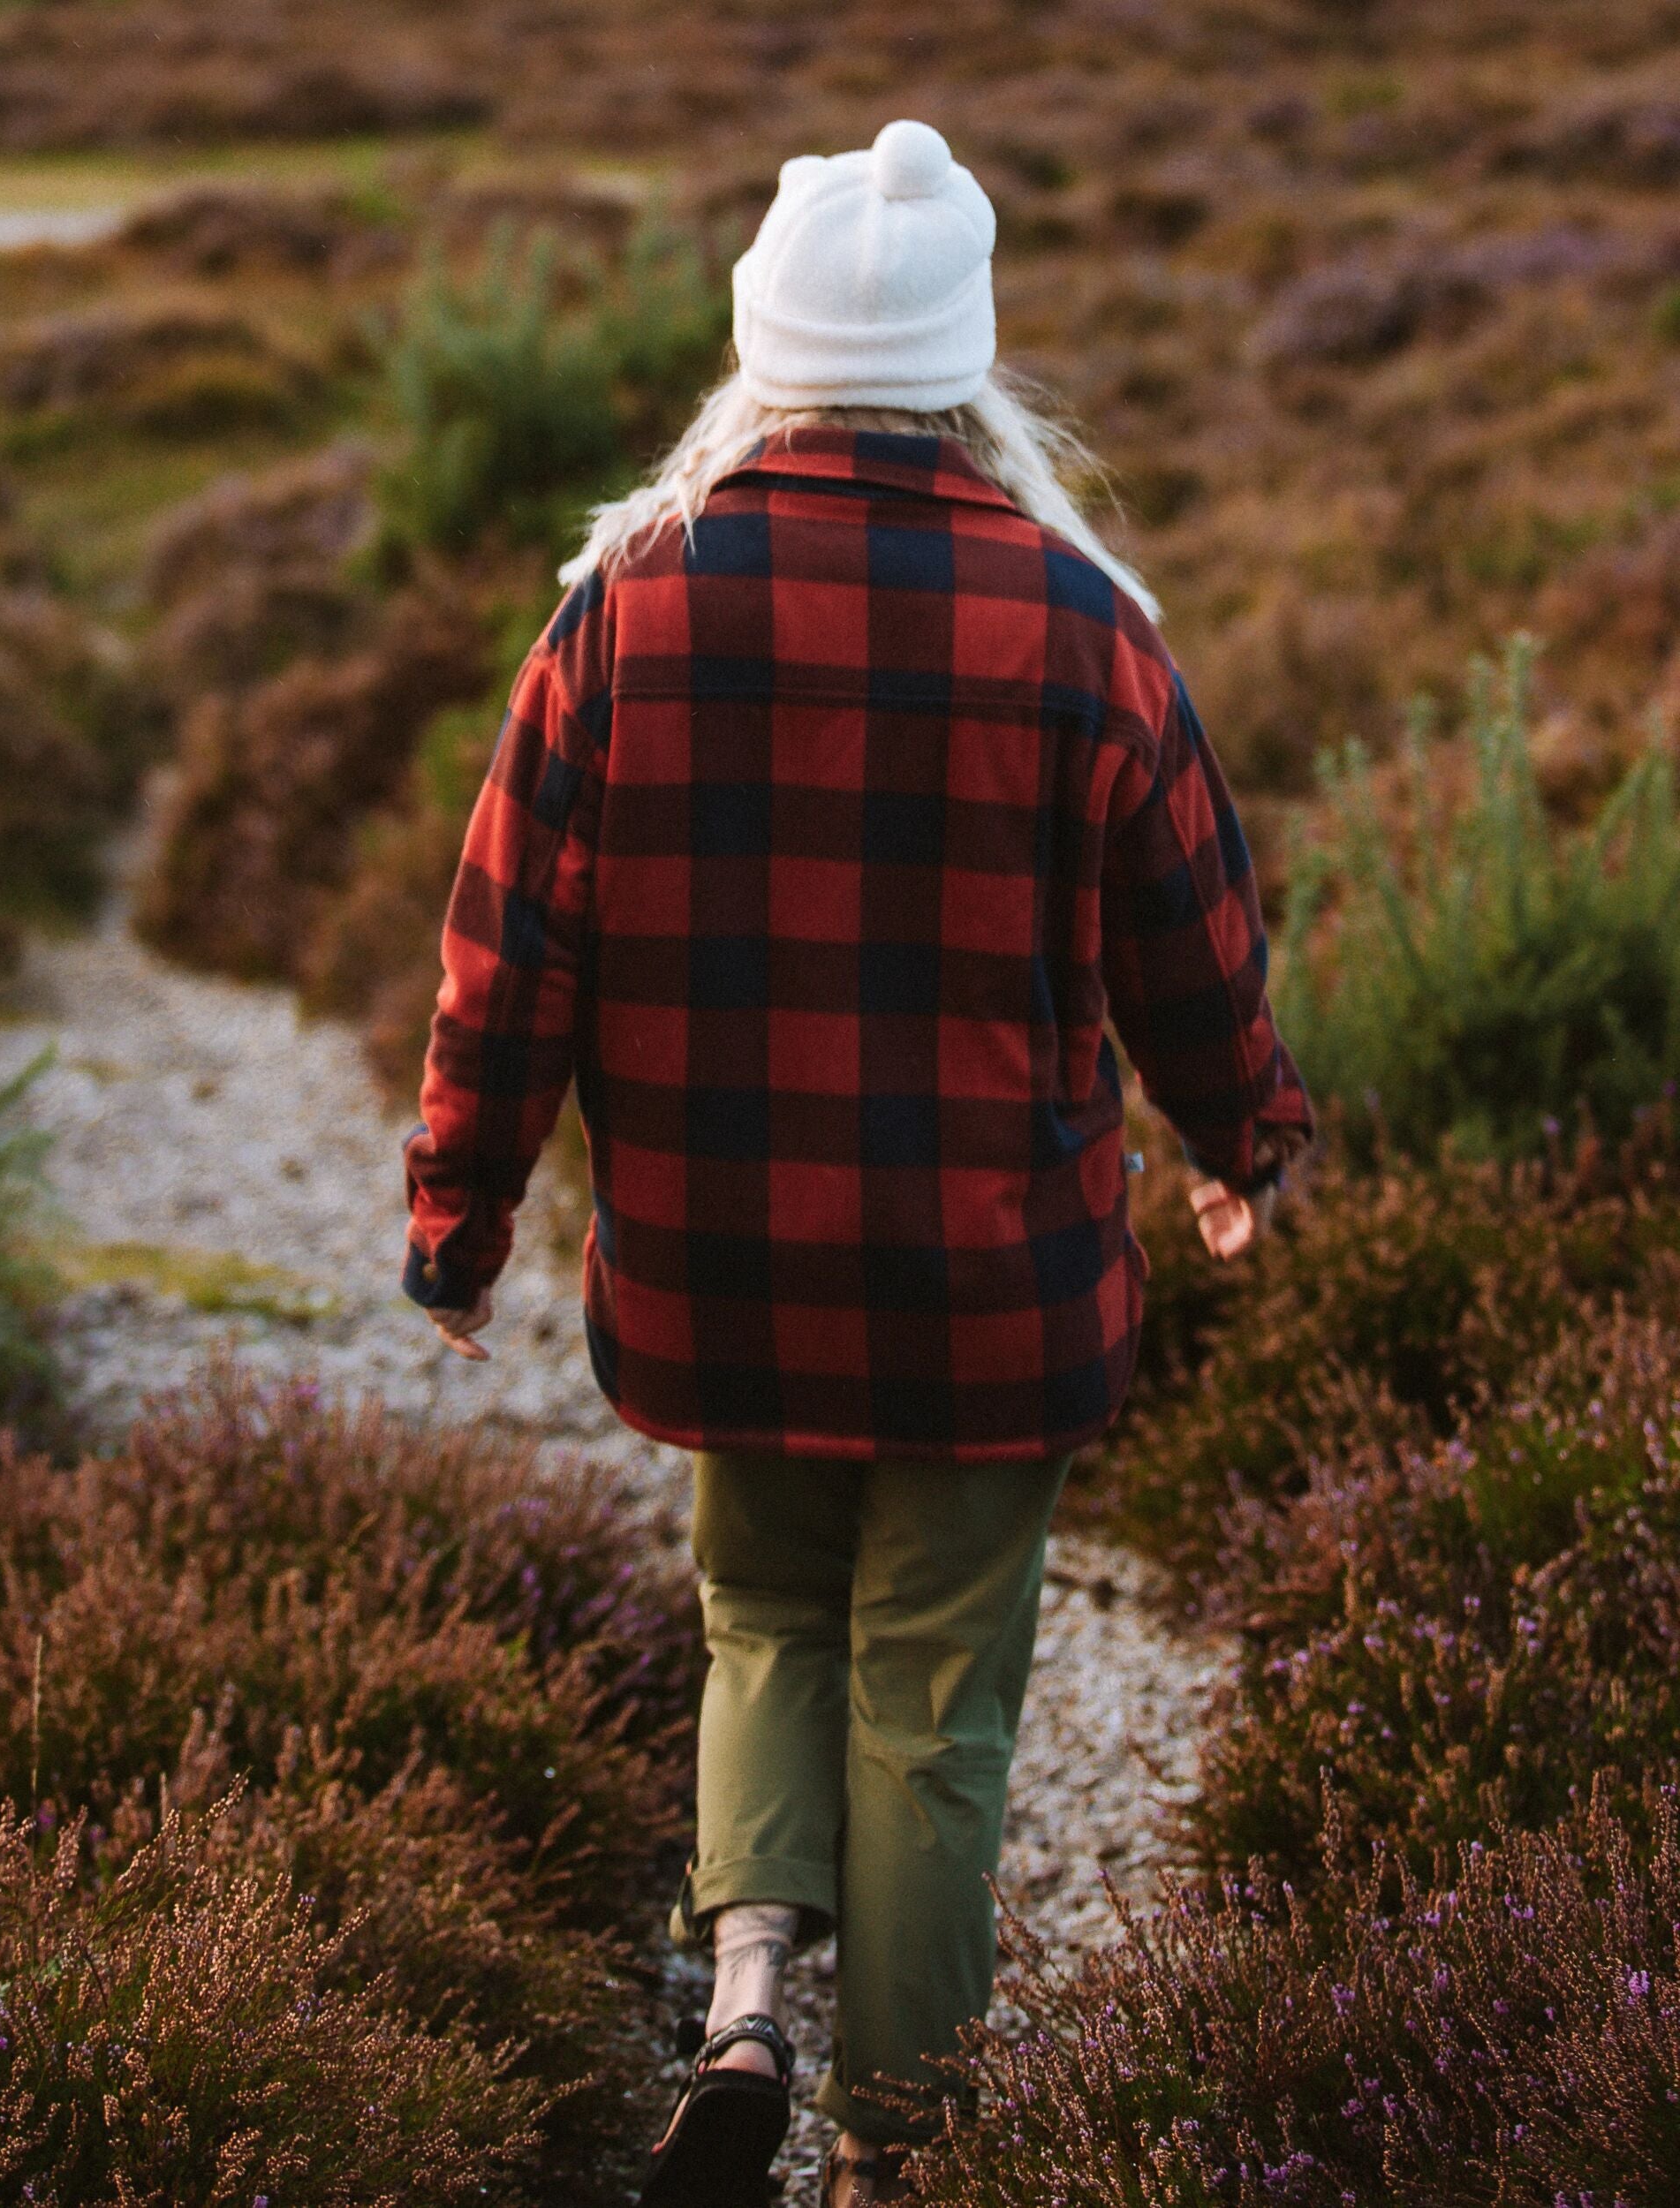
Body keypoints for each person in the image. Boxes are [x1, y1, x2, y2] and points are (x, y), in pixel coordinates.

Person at [402, 117, 1313, 2208]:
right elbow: (1195, 931)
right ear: (964, 363)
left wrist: (460, 1219)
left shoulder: (625, 604)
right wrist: (1238, 1134)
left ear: (765, 349)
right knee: (932, 1697)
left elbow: (502, 950)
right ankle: (903, 2142)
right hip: (994, 1287)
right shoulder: (1081, 621)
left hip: (723, 1267)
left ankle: (739, 2007)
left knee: (756, 1612)